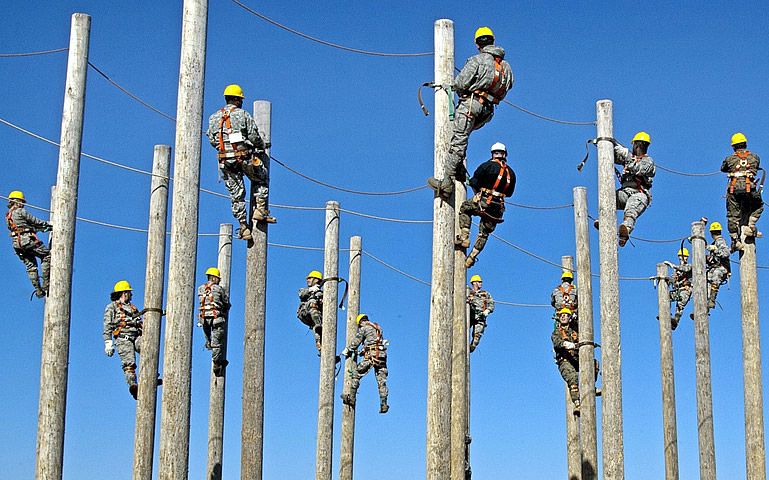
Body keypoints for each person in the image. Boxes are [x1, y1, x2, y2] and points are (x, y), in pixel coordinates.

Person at [427, 27, 513, 198]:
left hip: (471, 106)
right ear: (492, 40)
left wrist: (451, 88)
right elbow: (509, 85)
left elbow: (460, 83)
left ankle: (446, 182)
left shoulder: (477, 60)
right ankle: (457, 167)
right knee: (462, 137)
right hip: (487, 112)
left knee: (457, 140)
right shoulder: (506, 66)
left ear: (477, 44)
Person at [206, 84, 276, 241]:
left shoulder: (213, 118)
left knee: (236, 195)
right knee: (261, 178)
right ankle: (260, 209)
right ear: (237, 99)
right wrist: (261, 146)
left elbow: (212, 140)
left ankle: (244, 227)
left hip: (225, 160)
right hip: (244, 157)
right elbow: (253, 136)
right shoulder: (242, 115)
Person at [456, 142, 516, 268]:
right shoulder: (511, 173)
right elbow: (509, 193)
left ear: (493, 154)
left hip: (484, 202)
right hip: (498, 208)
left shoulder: (487, 166)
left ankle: (464, 237)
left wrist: (479, 192)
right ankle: (471, 257)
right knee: (484, 233)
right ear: (505, 154)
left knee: (465, 208)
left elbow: (474, 182)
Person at [596, 132, 656, 247]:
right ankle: (605, 221)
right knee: (608, 198)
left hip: (639, 194)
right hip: (625, 192)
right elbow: (614, 156)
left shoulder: (648, 162)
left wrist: (626, 155)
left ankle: (625, 231)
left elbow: (638, 169)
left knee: (630, 210)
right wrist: (607, 144)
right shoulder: (630, 157)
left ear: (637, 145)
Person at [551, 308, 599, 414]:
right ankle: (577, 403)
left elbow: (582, 327)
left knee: (593, 364)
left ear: (569, 317)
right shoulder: (557, 332)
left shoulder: (575, 329)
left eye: (566, 315)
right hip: (565, 360)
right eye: (561, 315)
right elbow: (557, 342)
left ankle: (592, 386)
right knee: (572, 378)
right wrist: (567, 344)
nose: (563, 316)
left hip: (576, 358)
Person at [103, 281, 145, 399]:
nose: (131, 295)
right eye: (129, 292)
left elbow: (140, 322)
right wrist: (108, 341)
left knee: (148, 349)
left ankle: (150, 374)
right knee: (129, 363)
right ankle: (133, 386)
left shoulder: (132, 308)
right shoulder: (112, 307)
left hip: (136, 336)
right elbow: (107, 325)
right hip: (123, 338)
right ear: (123, 293)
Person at [6, 190, 51, 298]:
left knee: (31, 266)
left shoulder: (8, 216)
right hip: (27, 240)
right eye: (21, 202)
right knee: (46, 255)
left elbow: (23, 226)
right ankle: (46, 284)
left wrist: (38, 229)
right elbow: (34, 221)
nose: (22, 204)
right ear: (18, 201)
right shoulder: (21, 211)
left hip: (17, 244)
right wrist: (48, 224)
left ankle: (38, 290)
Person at [721, 132, 762, 252]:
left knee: (733, 215)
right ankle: (751, 225)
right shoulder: (754, 157)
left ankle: (735, 240)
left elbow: (723, 168)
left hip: (734, 190)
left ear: (733, 146)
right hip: (750, 188)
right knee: (758, 205)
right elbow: (756, 165)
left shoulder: (729, 159)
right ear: (745, 144)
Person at [340, 314, 389, 414]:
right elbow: (374, 342)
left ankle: (352, 398)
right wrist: (364, 350)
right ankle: (384, 404)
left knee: (356, 374)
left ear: (360, 322)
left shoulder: (364, 328)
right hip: (382, 357)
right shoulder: (377, 328)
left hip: (372, 356)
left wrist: (348, 349)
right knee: (381, 381)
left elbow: (356, 341)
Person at [197, 267, 230, 376]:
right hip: (217, 319)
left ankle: (208, 344)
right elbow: (226, 303)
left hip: (204, 319)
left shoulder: (200, 289)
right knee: (217, 343)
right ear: (215, 278)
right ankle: (217, 365)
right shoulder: (219, 289)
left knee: (210, 340)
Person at [664, 248, 691, 330]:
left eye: (684, 257)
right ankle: (665, 314)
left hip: (685, 289)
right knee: (665, 297)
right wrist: (665, 279)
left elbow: (685, 269)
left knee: (680, 304)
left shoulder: (689, 266)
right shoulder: (676, 271)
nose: (683, 258)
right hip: (677, 290)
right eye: (681, 257)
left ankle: (675, 320)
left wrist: (673, 266)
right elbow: (673, 280)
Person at [297, 270, 324, 354]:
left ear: (316, 280)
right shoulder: (305, 290)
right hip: (304, 312)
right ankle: (318, 324)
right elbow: (301, 294)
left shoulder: (322, 293)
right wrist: (311, 290)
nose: (307, 280)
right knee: (312, 302)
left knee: (318, 331)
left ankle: (323, 350)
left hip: (315, 315)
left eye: (309, 278)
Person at [706, 222, 730, 311]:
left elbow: (726, 253)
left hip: (722, 268)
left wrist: (715, 250)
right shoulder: (714, 243)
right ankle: (706, 305)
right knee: (705, 280)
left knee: (716, 274)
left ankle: (712, 300)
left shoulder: (720, 241)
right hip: (714, 267)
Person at [467, 274, 495, 352]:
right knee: (463, 332)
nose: (481, 283)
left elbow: (491, 304)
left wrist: (487, 311)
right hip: (469, 315)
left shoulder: (485, 294)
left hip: (480, 317)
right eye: (479, 282)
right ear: (474, 283)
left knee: (476, 337)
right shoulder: (468, 291)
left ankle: (471, 348)